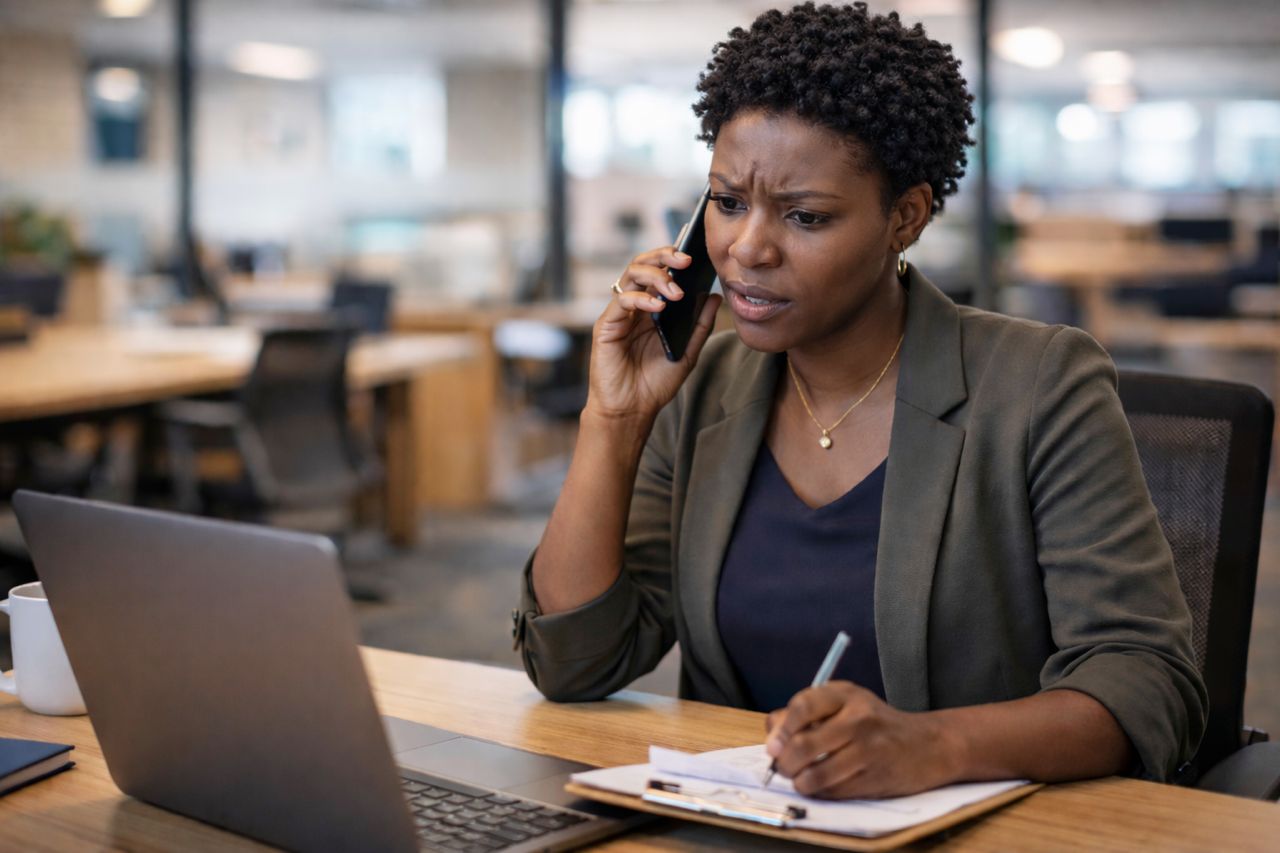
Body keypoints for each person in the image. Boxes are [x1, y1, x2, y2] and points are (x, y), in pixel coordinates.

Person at [514, 2, 1206, 800]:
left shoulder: (1039, 382)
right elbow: (574, 662)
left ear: (904, 218)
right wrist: (615, 420)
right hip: (737, 826)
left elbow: (1148, 680)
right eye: (728, 202)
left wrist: (931, 743)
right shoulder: (703, 385)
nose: (748, 249)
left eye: (805, 216)